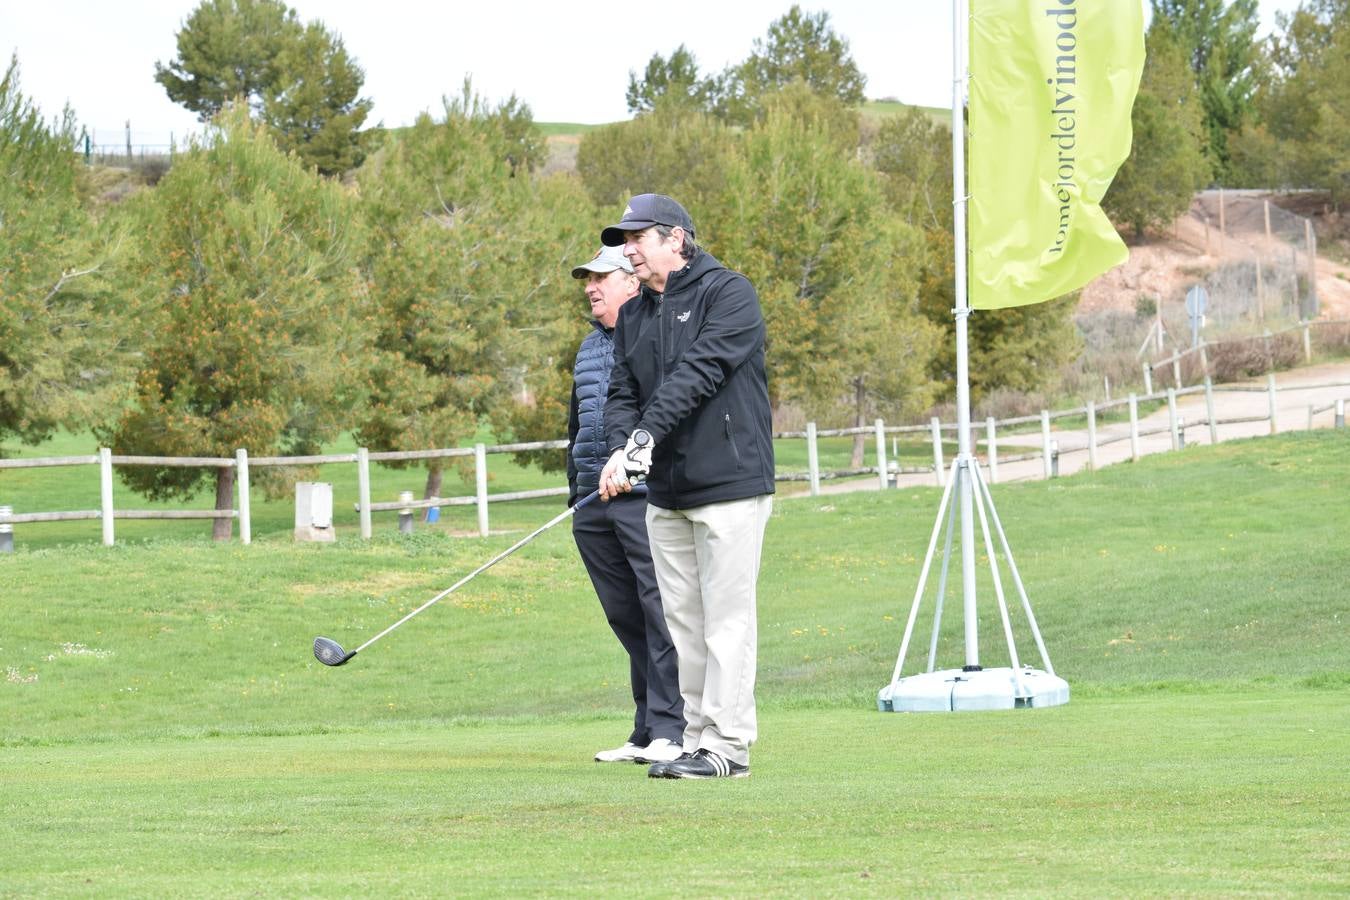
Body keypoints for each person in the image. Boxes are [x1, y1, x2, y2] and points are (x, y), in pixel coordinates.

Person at [597, 194, 774, 780]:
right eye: (625, 240)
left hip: (729, 481)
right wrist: (624, 447)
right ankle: (694, 739)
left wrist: (645, 435)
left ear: (676, 239)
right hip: (666, 493)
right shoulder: (636, 315)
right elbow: (622, 391)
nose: (628, 249)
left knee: (726, 620)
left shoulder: (728, 294)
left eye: (637, 237)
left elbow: (700, 371)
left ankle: (729, 746)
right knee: (682, 624)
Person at [566, 243, 685, 766]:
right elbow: (579, 422)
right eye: (586, 280)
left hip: (640, 494)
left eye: (602, 277)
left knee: (659, 612)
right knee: (626, 617)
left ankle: (671, 727)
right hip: (591, 499)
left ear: (631, 283)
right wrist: (575, 487)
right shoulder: (590, 348)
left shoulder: (656, 335)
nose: (591, 287)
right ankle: (644, 730)